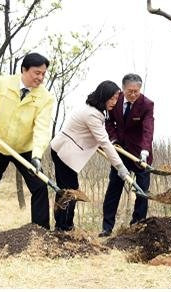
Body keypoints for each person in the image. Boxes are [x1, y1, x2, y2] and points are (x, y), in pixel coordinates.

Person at [0, 52, 54, 231]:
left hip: (24, 149)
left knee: (40, 187)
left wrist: (37, 156)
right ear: (24, 70)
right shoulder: (1, 84)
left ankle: (40, 235)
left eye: (43, 74)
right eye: (37, 73)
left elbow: (42, 128)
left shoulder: (45, 98)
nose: (41, 78)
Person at [49, 81, 131, 231]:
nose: (114, 102)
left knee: (66, 190)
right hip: (65, 152)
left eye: (116, 99)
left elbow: (99, 139)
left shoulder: (94, 111)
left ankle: (63, 226)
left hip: (63, 150)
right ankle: (64, 228)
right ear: (104, 96)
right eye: (111, 98)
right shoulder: (92, 114)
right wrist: (120, 166)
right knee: (70, 191)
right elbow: (104, 141)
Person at [100, 73, 154, 237]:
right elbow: (108, 122)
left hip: (140, 154)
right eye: (130, 91)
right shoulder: (115, 100)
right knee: (113, 190)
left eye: (136, 91)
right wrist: (113, 138)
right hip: (120, 151)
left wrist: (145, 149)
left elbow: (148, 128)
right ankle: (107, 228)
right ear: (123, 89)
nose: (133, 95)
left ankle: (136, 226)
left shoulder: (146, 104)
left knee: (142, 191)